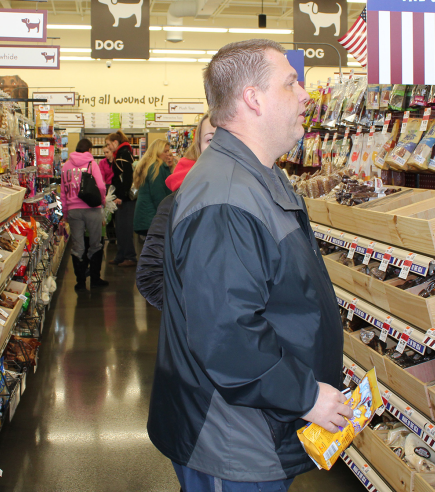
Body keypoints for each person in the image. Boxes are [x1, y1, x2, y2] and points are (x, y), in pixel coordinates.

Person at [148, 40, 350, 491]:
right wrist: (307, 396)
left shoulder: (255, 177)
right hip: (231, 440)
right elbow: (227, 335)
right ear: (253, 99)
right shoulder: (226, 199)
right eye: (291, 83)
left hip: (253, 426)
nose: (305, 95)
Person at [135, 114, 215, 311]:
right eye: (211, 139)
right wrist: (194, 312)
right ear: (198, 147)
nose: (221, 146)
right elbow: (150, 276)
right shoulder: (177, 199)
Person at [61, 138, 109, 289]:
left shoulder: (66, 166)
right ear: (89, 150)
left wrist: (65, 212)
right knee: (95, 244)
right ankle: (95, 279)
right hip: (92, 208)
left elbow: (63, 192)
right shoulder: (92, 164)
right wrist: (102, 201)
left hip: (73, 210)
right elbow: (101, 186)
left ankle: (80, 283)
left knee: (78, 246)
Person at [133, 139, 174, 248]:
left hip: (146, 216)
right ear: (157, 151)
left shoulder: (147, 165)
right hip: (153, 217)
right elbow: (158, 195)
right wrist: (166, 215)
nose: (168, 154)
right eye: (165, 151)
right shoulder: (157, 167)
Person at [105, 130, 137, 267]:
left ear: (115, 142)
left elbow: (127, 178)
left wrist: (121, 197)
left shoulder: (123, 154)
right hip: (122, 198)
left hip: (125, 200)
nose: (107, 147)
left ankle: (130, 256)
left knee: (125, 228)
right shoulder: (122, 153)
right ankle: (121, 255)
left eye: (108, 144)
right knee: (120, 228)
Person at [99, 145, 116, 243]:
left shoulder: (117, 162)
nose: (105, 154)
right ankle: (111, 238)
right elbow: (101, 177)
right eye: (104, 152)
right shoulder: (102, 163)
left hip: (116, 188)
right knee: (108, 214)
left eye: (107, 152)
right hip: (107, 189)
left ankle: (118, 235)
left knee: (116, 214)